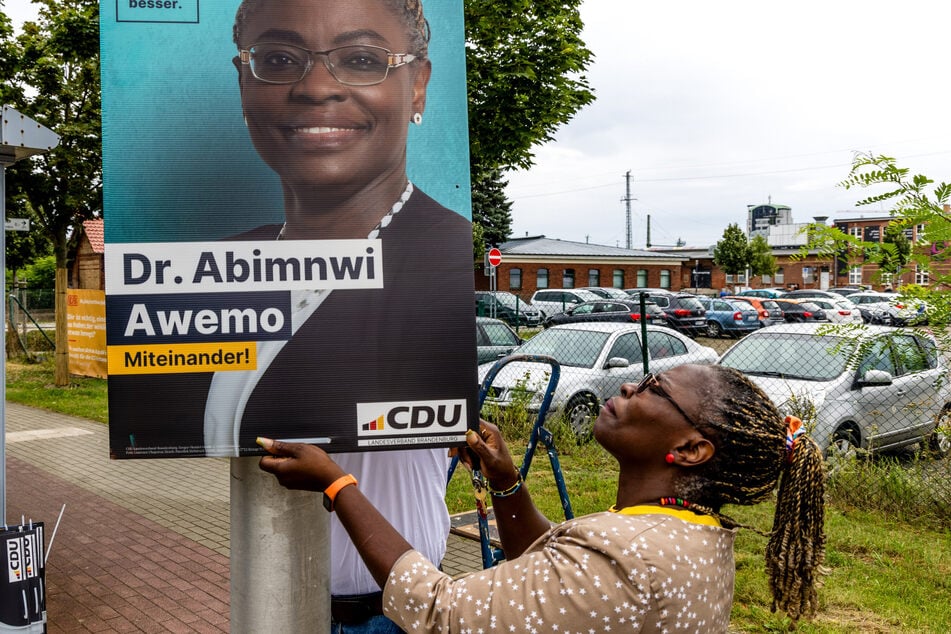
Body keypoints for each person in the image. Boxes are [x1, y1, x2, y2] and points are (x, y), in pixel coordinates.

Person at [110, 0, 476, 630]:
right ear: (244, 83)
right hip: (271, 599)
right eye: (278, 60)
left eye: (361, 60)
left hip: (388, 613)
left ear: (417, 84)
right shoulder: (211, 269)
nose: (315, 88)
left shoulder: (436, 270)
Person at [259, 364, 828, 632]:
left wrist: (338, 486)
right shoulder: (685, 533)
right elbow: (549, 564)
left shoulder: (630, 553)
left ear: (691, 449)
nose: (631, 386)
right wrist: (506, 482)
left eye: (657, 390)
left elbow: (440, 611)